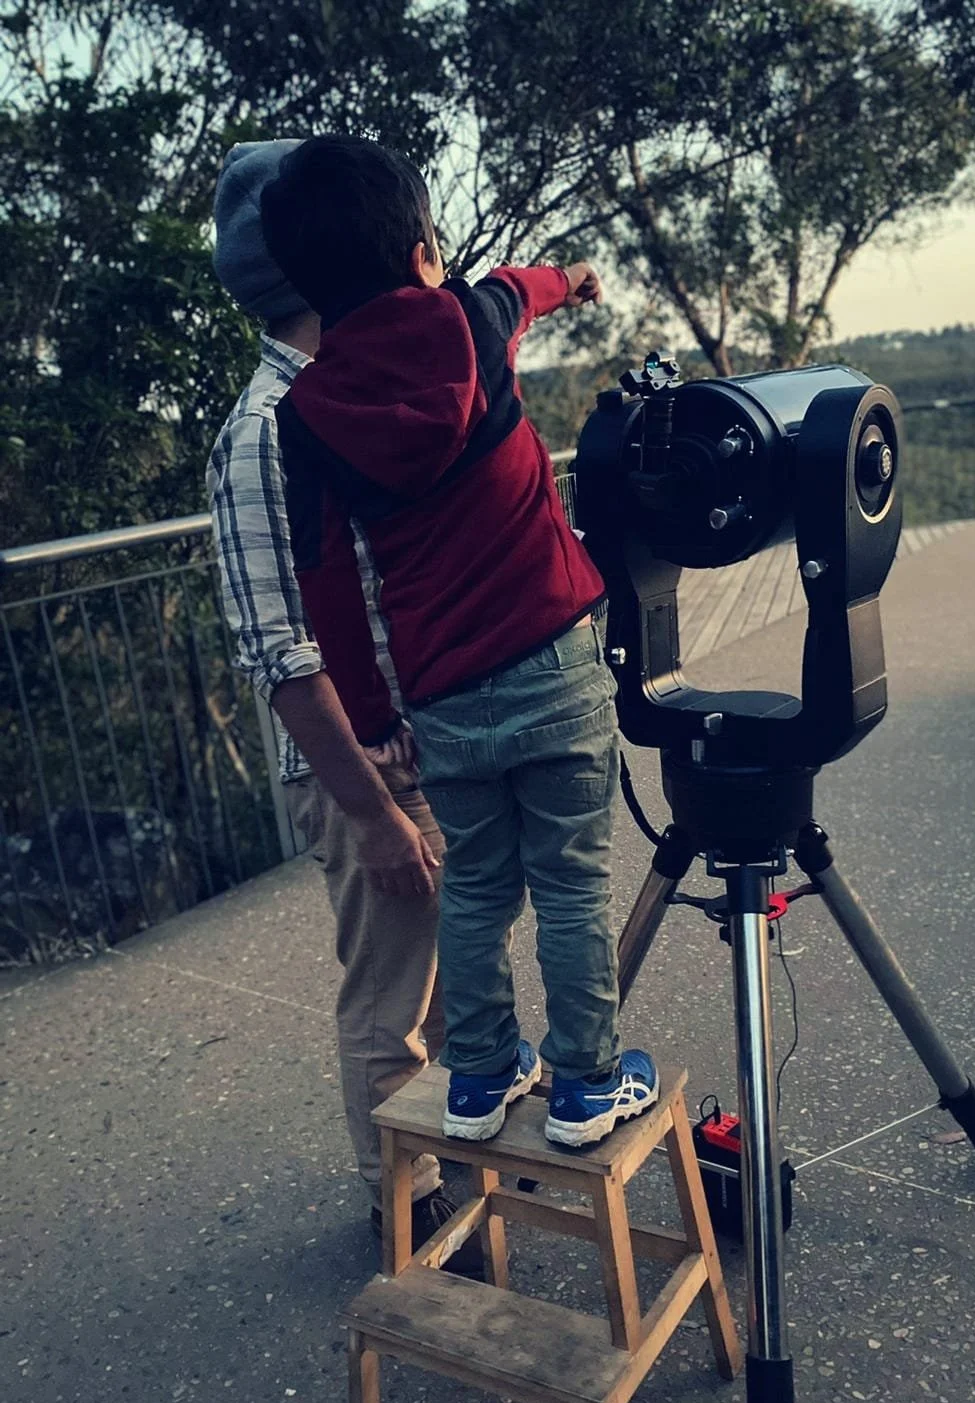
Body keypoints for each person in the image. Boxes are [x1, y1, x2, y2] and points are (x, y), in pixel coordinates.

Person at [258, 133, 658, 1148]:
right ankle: (585, 1086)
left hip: (441, 691)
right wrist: (571, 280)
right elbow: (523, 286)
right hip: (556, 659)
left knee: (478, 880)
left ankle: (478, 1079)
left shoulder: (304, 414)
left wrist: (378, 712)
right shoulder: (473, 319)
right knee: (571, 877)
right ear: (424, 247)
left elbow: (327, 582)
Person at [207, 140, 480, 1270]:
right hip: (366, 772)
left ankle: (458, 1170)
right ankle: (404, 1208)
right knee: (390, 1008)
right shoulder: (265, 433)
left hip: (430, 743)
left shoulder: (354, 394)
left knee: (455, 989)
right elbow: (281, 657)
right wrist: (374, 812)